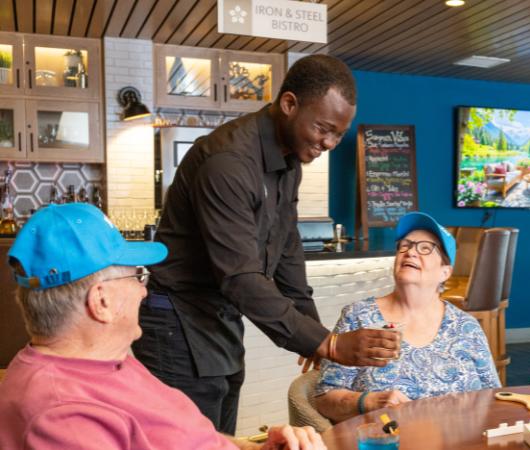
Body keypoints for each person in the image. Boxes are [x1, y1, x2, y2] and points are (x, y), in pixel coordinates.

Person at [134, 54, 400, 434]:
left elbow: (287, 250)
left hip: (218, 320)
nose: (330, 143)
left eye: (339, 134)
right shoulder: (228, 161)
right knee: (189, 441)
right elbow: (240, 277)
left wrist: (312, 334)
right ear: (290, 104)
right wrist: (330, 344)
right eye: (323, 128)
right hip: (177, 320)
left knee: (220, 439)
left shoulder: (287, 161)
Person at [0, 203, 326, 450]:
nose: (145, 290)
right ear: (101, 302)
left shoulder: (109, 361)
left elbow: (186, 438)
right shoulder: (63, 414)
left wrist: (255, 447)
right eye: (138, 275)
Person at [314, 212, 501, 423]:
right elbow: (324, 398)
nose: (411, 252)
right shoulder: (358, 316)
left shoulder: (467, 327)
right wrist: (368, 402)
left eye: (425, 248)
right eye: (405, 245)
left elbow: (494, 398)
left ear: (445, 272)